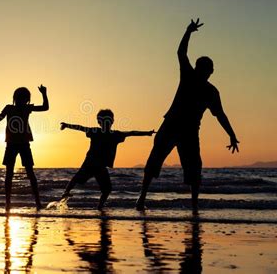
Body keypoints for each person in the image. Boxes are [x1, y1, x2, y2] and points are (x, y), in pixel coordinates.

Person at [136, 19, 239, 213]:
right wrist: (188, 32)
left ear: (211, 71)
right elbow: (181, 53)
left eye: (207, 69)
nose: (205, 72)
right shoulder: (189, 76)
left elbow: (220, 115)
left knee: (194, 168)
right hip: (172, 125)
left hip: (189, 132)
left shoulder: (211, 91)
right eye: (202, 68)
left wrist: (231, 134)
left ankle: (193, 204)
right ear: (199, 69)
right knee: (154, 161)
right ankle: (142, 198)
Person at [60, 109, 155, 210]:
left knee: (106, 189)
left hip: (98, 166)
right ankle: (68, 192)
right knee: (79, 179)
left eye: (108, 120)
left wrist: (147, 133)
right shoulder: (105, 133)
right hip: (91, 163)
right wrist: (67, 125)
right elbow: (81, 127)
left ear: (112, 121)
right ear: (99, 122)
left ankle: (99, 207)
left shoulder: (110, 134)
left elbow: (131, 133)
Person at [0, 85, 49, 211]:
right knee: (10, 174)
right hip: (11, 144)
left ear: (26, 100)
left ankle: (37, 203)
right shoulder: (9, 108)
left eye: (23, 98)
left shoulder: (26, 108)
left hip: (23, 144)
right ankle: (8, 203)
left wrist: (44, 93)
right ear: (15, 98)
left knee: (29, 173)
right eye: (19, 98)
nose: (21, 100)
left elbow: (45, 107)